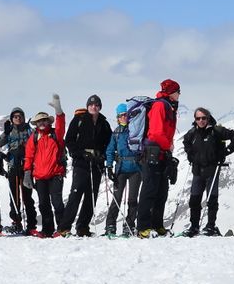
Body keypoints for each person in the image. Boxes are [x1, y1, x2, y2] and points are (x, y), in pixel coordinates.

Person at [57, 94, 112, 237]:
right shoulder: (79, 119)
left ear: (100, 107)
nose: (94, 107)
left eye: (97, 105)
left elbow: (109, 143)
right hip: (81, 163)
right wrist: (81, 153)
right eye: (91, 105)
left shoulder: (104, 123)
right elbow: (69, 140)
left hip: (97, 163)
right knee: (76, 194)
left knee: (91, 196)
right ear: (87, 106)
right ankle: (64, 227)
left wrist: (103, 155)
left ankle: (82, 227)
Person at [181, 107, 234, 237]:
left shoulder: (217, 131)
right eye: (198, 118)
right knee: (194, 200)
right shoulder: (193, 133)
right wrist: (190, 154)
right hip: (197, 169)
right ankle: (194, 227)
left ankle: (210, 226)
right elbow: (185, 142)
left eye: (203, 118)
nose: (201, 121)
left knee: (212, 199)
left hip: (212, 169)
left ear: (208, 118)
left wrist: (226, 151)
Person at [136, 79, 181, 238]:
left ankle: (157, 225)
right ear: (172, 92)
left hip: (161, 154)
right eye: (178, 91)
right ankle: (143, 228)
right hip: (152, 153)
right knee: (149, 190)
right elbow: (155, 133)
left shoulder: (169, 106)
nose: (179, 95)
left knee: (161, 191)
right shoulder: (160, 106)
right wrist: (168, 145)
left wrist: (168, 148)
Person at [24, 94, 67, 238]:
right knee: (43, 204)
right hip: (40, 176)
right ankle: (48, 230)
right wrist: (27, 173)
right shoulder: (34, 138)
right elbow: (29, 156)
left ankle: (62, 229)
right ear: (36, 124)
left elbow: (61, 125)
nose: (42, 123)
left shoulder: (56, 134)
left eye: (44, 120)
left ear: (48, 122)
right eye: (39, 121)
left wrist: (59, 111)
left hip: (55, 174)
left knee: (57, 202)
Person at [104, 103, 142, 237]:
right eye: (121, 116)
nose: (124, 117)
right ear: (118, 118)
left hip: (135, 169)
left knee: (132, 199)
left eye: (126, 114)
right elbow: (110, 150)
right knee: (117, 198)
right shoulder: (116, 133)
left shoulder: (136, 130)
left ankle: (129, 225)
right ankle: (110, 225)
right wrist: (109, 167)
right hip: (120, 169)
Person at [1, 107, 37, 236]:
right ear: (12, 118)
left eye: (20, 116)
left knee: (27, 196)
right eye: (15, 116)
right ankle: (16, 222)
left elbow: (36, 144)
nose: (18, 118)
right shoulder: (9, 131)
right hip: (13, 166)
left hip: (26, 167)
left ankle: (31, 225)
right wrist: (5, 134)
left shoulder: (29, 130)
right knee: (14, 196)